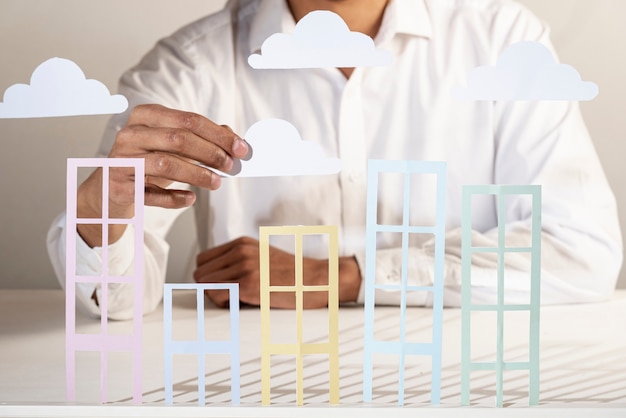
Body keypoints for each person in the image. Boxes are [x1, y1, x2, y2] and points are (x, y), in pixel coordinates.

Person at [47, 0, 622, 320]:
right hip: (257, 389)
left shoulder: (503, 40)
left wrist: (343, 275)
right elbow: (114, 299)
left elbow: (582, 249)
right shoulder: (188, 66)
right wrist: (102, 209)